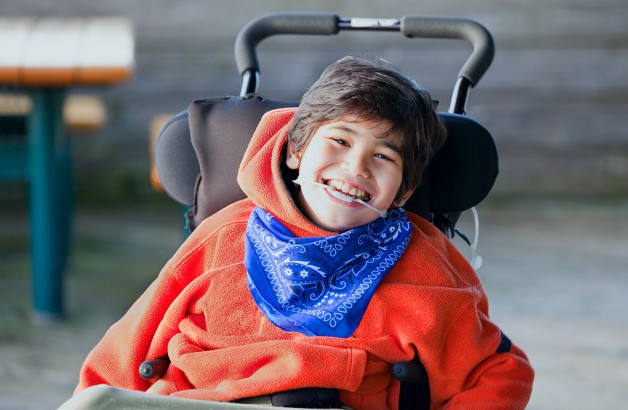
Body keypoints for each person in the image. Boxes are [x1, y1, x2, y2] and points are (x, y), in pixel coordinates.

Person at [74, 56, 534, 408]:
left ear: (403, 190)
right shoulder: (222, 236)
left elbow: (500, 370)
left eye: (384, 157)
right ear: (295, 150)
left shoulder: (424, 264)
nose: (356, 168)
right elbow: (121, 353)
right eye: (340, 140)